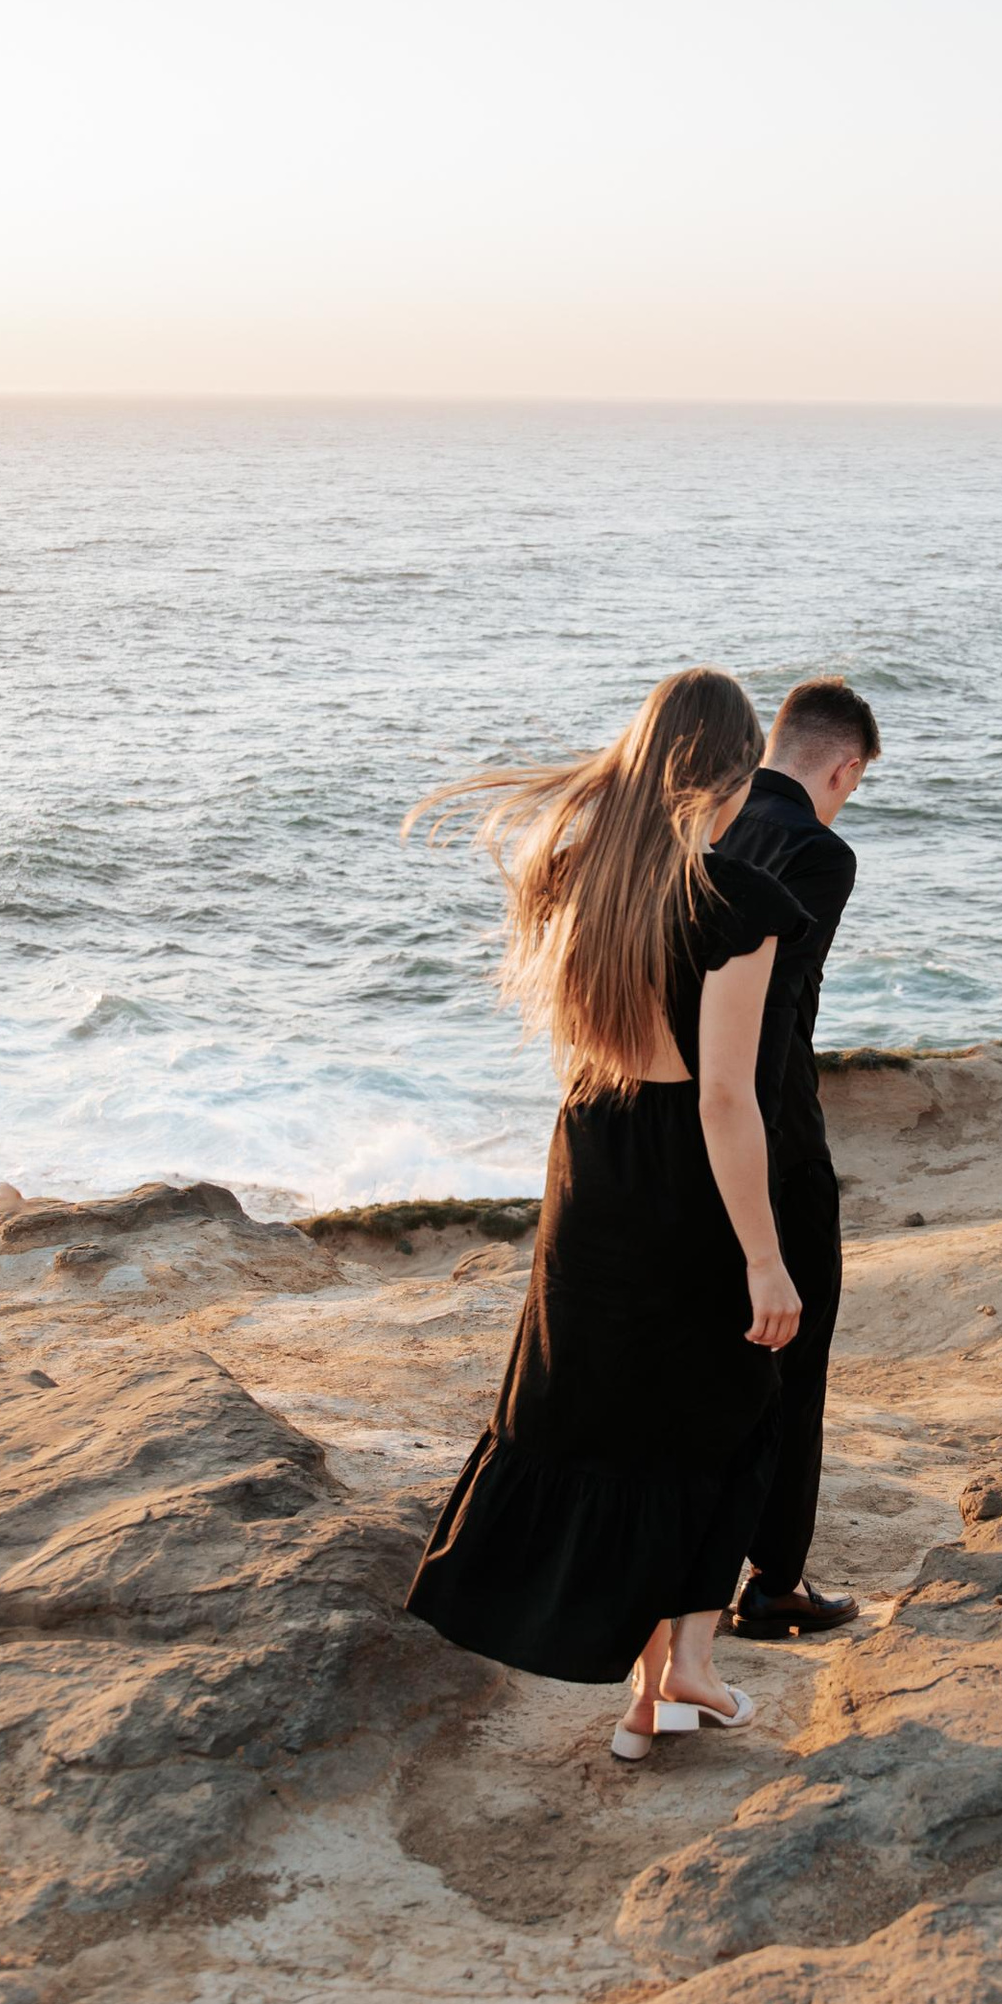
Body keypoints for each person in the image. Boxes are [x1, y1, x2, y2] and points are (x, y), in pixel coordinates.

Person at [403, 668, 811, 1761]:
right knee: (733, 1415)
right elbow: (725, 1099)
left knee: (628, 1420)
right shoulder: (739, 905)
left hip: (590, 1164)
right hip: (684, 1180)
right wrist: (765, 1259)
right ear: (729, 775)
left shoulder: (574, 876)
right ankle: (687, 1671)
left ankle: (655, 1695)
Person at [712, 676, 880, 1635]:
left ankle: (697, 1557)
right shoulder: (821, 853)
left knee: (718, 1343)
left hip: (687, 1117)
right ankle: (774, 1581)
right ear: (843, 767)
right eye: (853, 784)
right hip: (773, 1127)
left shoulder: (711, 826)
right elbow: (775, 1016)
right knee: (797, 1350)